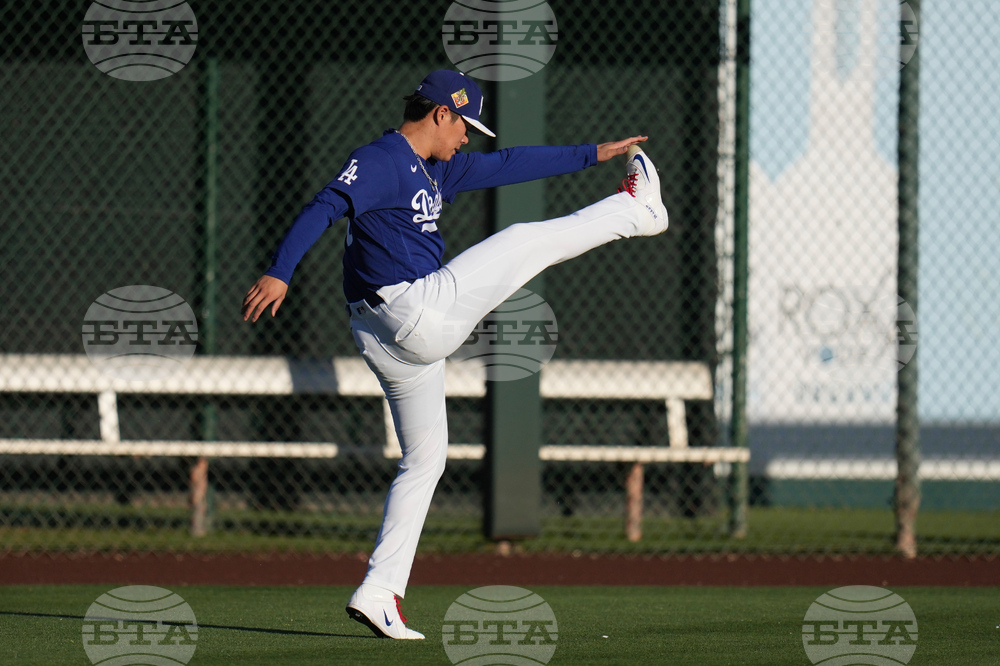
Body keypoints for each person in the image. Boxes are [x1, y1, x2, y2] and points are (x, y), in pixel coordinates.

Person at [242, 70, 668, 639]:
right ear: (441, 113)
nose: (469, 138)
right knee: (521, 241)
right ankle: (638, 214)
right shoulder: (381, 160)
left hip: (386, 333)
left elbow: (513, 163)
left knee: (425, 460)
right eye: (465, 126)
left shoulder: (444, 166)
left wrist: (592, 154)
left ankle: (379, 592)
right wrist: (279, 271)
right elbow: (326, 204)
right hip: (411, 312)